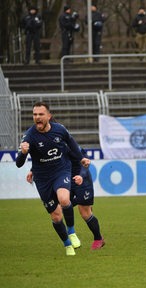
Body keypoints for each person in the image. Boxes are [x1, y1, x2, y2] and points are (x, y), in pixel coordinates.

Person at [16, 102, 90, 256]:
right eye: (35, 114)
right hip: (42, 178)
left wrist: (82, 158)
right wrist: (23, 153)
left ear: (48, 116)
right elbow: (18, 163)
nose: (37, 117)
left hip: (61, 170)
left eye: (41, 114)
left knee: (64, 199)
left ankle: (72, 232)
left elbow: (72, 144)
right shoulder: (29, 136)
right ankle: (67, 244)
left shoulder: (60, 130)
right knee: (56, 216)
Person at [26, 148, 105, 250]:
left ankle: (98, 239)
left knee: (85, 213)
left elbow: (85, 164)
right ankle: (70, 238)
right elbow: (44, 159)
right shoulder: (54, 146)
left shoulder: (73, 147)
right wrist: (32, 170)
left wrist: (81, 176)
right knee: (60, 207)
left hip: (82, 181)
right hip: (64, 180)